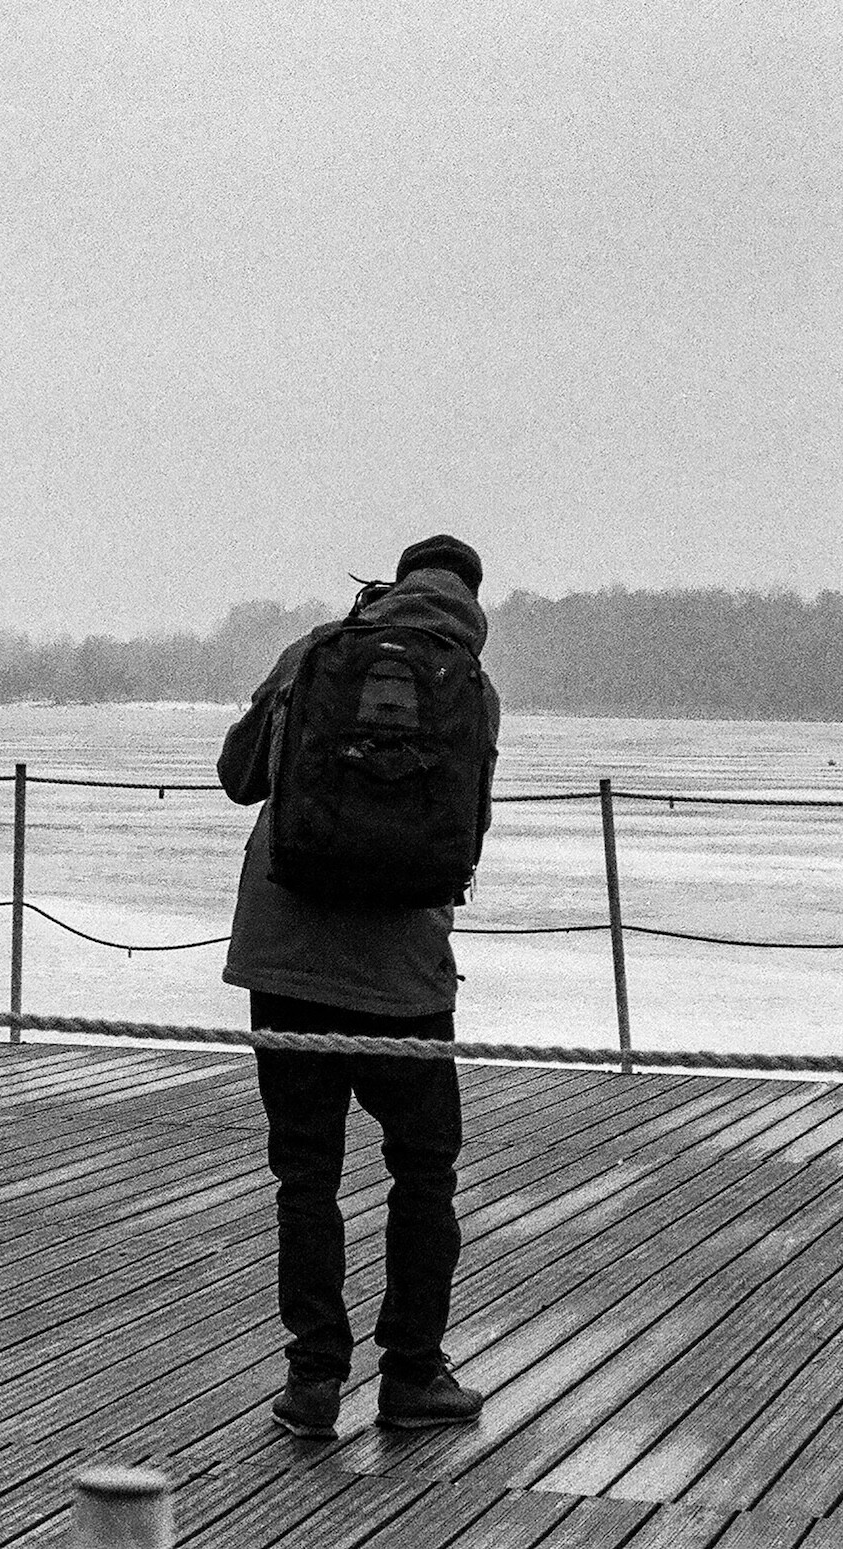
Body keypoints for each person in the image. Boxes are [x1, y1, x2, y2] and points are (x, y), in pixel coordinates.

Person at [217, 535, 499, 1439]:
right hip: (406, 979)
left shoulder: (314, 655)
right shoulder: (471, 689)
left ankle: (312, 1383)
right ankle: (412, 1375)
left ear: (395, 580)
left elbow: (238, 776)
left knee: (306, 1174)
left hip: (286, 960)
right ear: (469, 600)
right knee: (424, 1175)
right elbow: (462, 833)